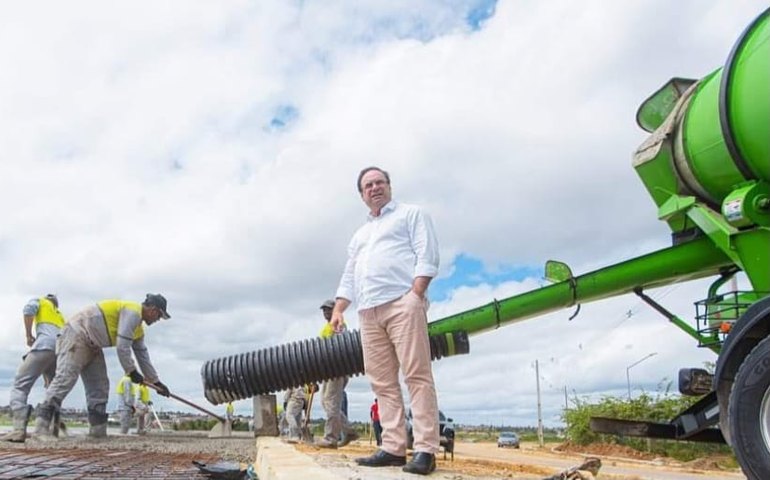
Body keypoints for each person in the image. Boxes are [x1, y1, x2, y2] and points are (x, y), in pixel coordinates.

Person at [332, 166, 441, 475]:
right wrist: (339, 309)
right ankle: (393, 447)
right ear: (362, 195)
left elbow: (427, 254)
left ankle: (425, 449)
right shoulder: (360, 235)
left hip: (401, 304)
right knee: (382, 382)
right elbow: (350, 274)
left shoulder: (411, 214)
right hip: (368, 312)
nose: (375, 187)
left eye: (379, 182)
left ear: (389, 186)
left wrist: (416, 294)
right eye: (368, 185)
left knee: (416, 375)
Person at [33, 294, 172, 438]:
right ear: (153, 310)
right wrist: (131, 371)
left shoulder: (138, 330)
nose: (157, 320)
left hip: (94, 344)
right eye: (159, 316)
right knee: (65, 379)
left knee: (100, 386)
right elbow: (122, 346)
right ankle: (41, 429)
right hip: (76, 334)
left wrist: (156, 382)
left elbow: (143, 356)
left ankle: (97, 431)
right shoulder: (133, 312)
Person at [1, 294, 65, 442]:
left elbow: (28, 310)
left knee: (20, 385)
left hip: (43, 345)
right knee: (52, 389)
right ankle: (52, 430)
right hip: (59, 351)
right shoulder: (61, 316)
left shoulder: (40, 301)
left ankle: (18, 430)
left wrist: (29, 336)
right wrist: (47, 374)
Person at [316, 299, 358, 449]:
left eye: (328, 309)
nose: (325, 312)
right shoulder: (327, 327)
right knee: (325, 401)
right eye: (324, 310)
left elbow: (341, 347)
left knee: (331, 402)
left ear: (335, 310)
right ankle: (348, 430)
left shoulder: (339, 325)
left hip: (337, 369)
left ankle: (330, 438)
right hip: (328, 371)